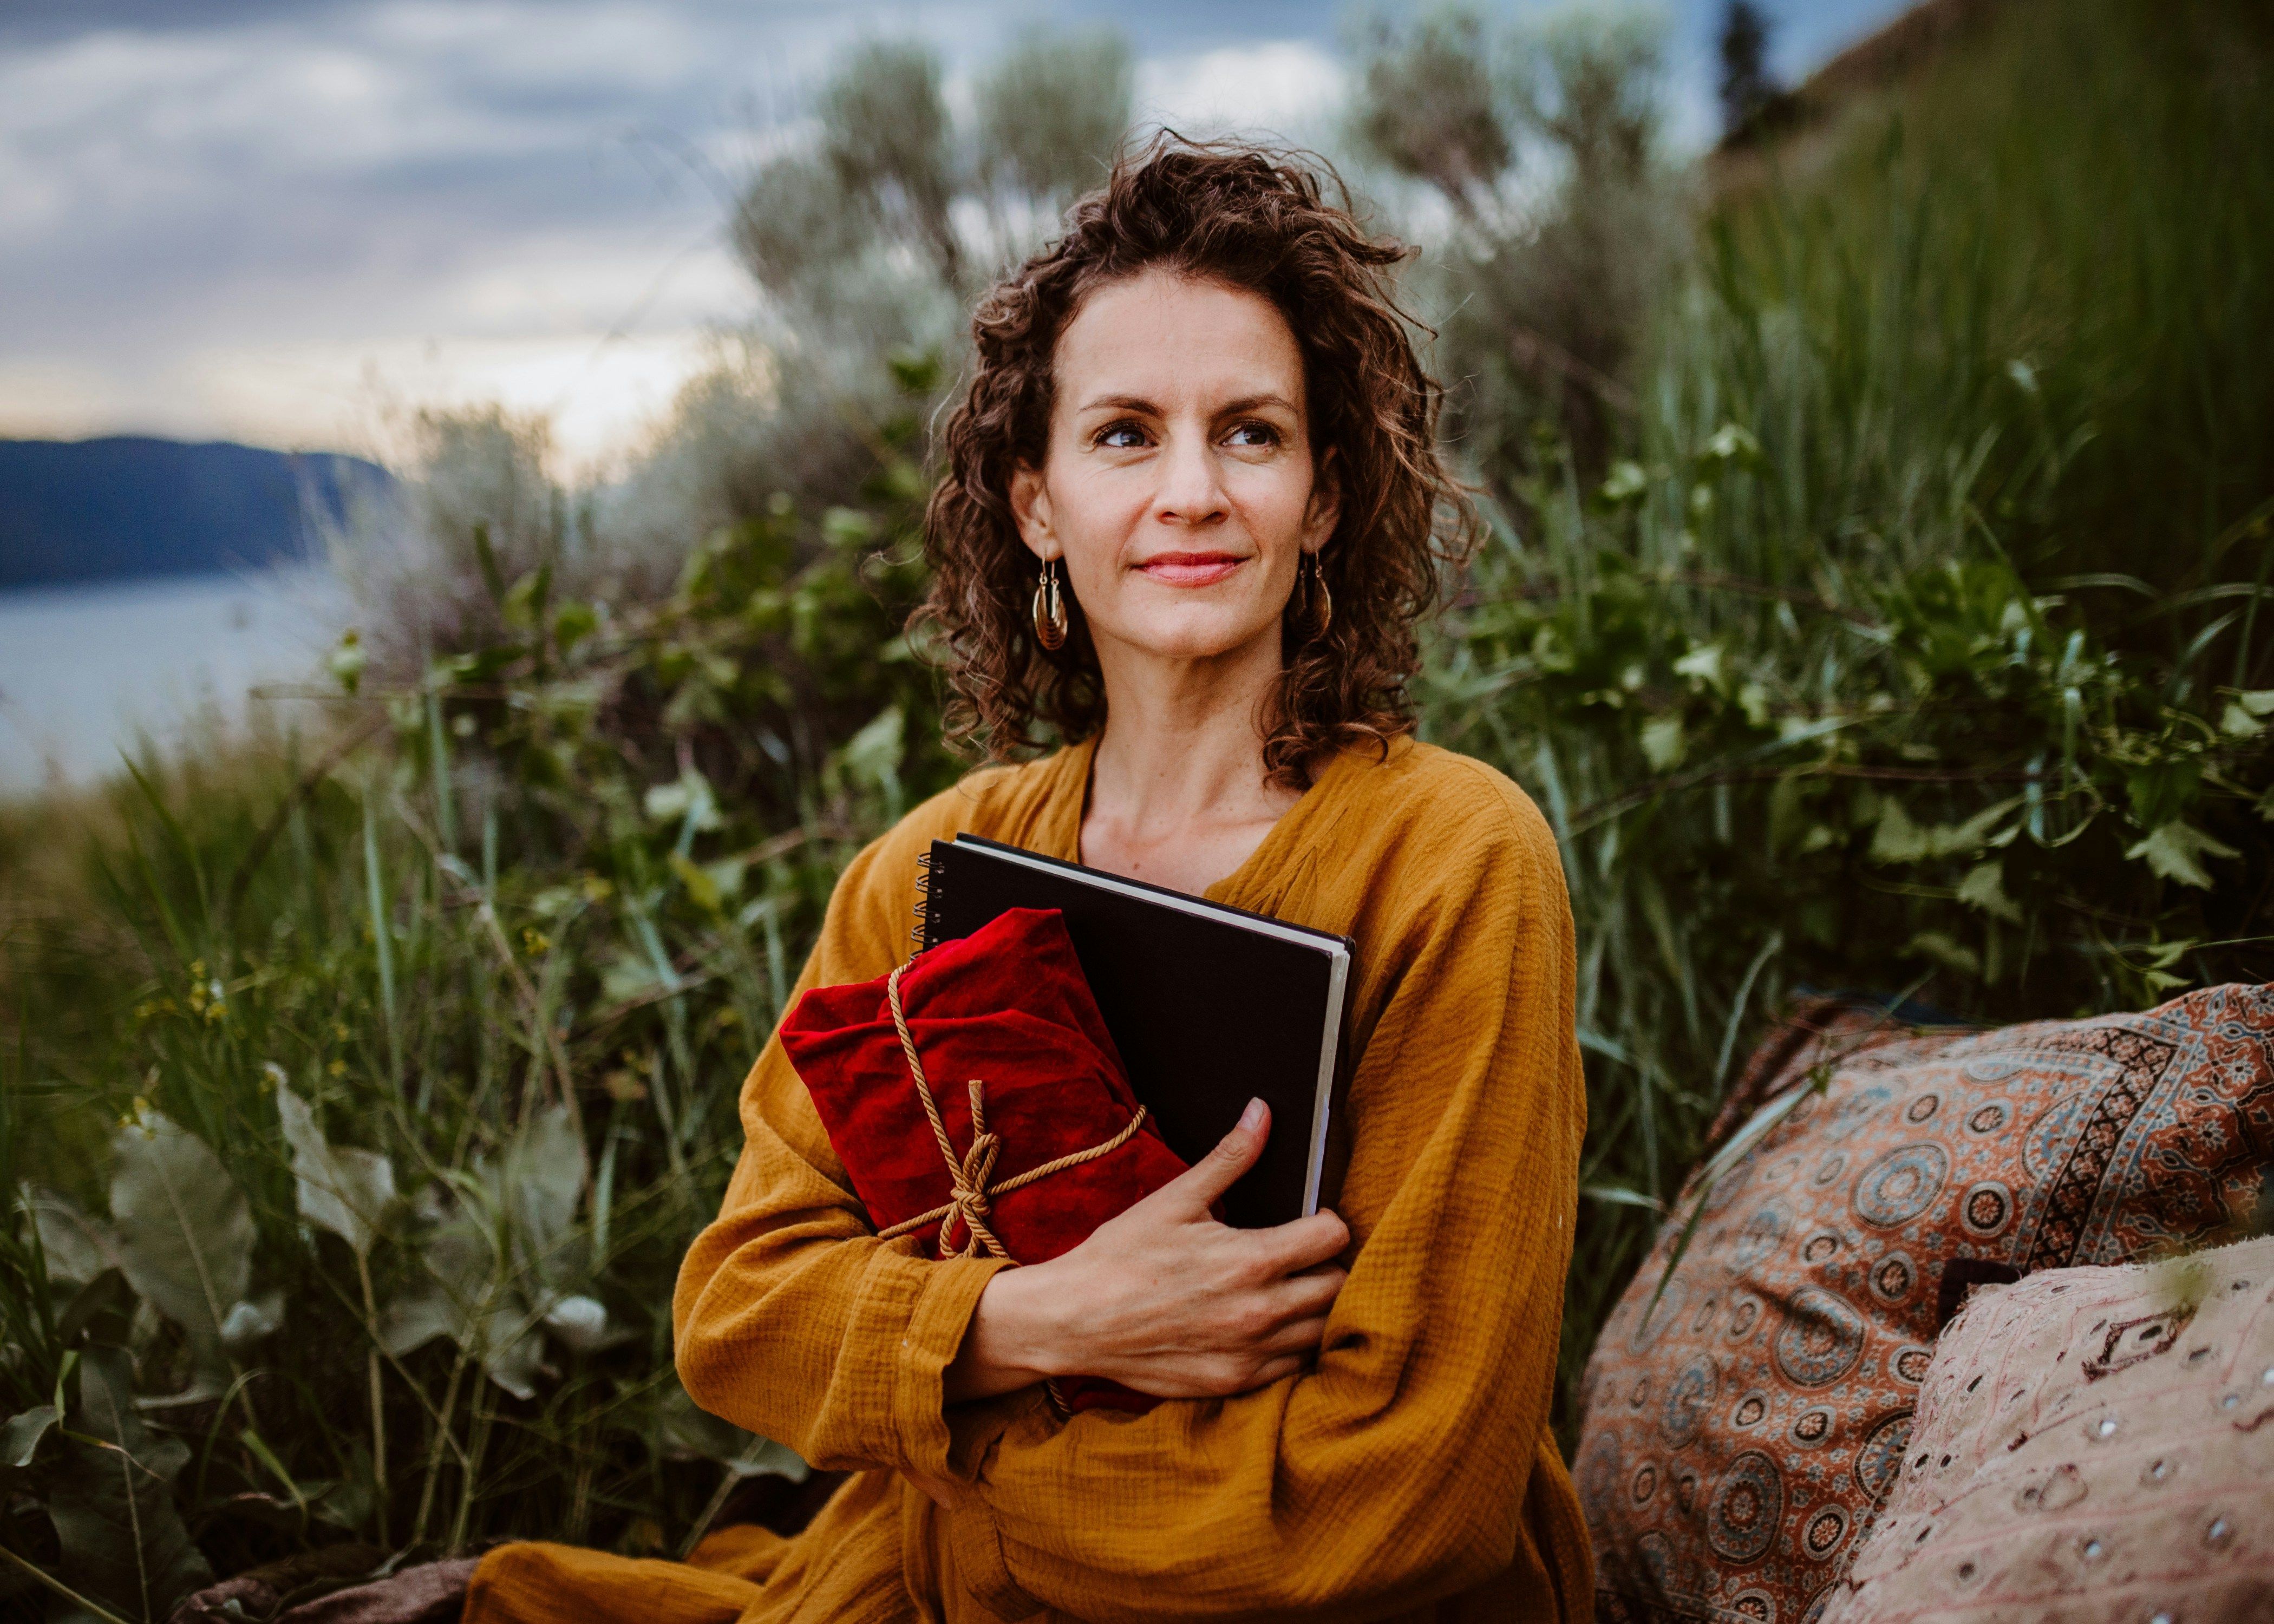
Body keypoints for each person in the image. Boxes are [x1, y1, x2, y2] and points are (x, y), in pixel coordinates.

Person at [466, 138, 1590, 1624]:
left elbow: (1402, 1496)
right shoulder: (918, 879)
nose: (1191, 491)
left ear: (1323, 498)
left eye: (1250, 433)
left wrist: (955, 1456)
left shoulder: (1453, 861)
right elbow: (742, 1309)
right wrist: (1036, 1322)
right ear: (1037, 504)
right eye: (1126, 435)